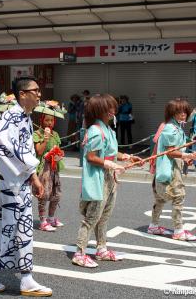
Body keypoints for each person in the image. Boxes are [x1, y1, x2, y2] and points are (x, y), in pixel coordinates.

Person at [0, 77, 52, 297]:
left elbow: (24, 152)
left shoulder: (25, 118)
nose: (39, 94)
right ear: (22, 94)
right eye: (35, 90)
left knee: (18, 230)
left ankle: (23, 277)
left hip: (17, 181)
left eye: (39, 90)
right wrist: (29, 175)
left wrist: (31, 176)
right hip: (11, 183)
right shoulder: (11, 116)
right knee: (6, 229)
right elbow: (0, 147)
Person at [72, 94, 143, 268]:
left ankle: (101, 249)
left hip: (110, 177)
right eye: (109, 108)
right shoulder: (96, 130)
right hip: (99, 179)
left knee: (104, 217)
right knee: (92, 217)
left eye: (113, 107)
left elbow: (110, 152)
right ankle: (79, 253)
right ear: (99, 111)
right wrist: (109, 163)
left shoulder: (108, 130)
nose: (113, 111)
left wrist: (126, 156)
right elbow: (90, 157)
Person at [147, 99, 196, 241]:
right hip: (170, 169)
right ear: (172, 113)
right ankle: (178, 230)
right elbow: (170, 152)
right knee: (178, 197)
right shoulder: (170, 128)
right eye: (179, 112)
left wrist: (185, 158)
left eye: (185, 111)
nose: (183, 114)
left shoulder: (176, 127)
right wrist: (186, 155)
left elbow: (175, 150)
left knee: (160, 198)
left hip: (169, 167)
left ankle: (153, 226)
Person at [33, 111, 64, 232]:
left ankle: (51, 218)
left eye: (52, 120)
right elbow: (39, 152)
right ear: (42, 120)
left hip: (54, 167)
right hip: (43, 168)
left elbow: (58, 150)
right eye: (47, 120)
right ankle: (42, 221)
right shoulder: (37, 134)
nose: (49, 123)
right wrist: (45, 139)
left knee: (56, 194)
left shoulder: (55, 134)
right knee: (44, 195)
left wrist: (59, 156)